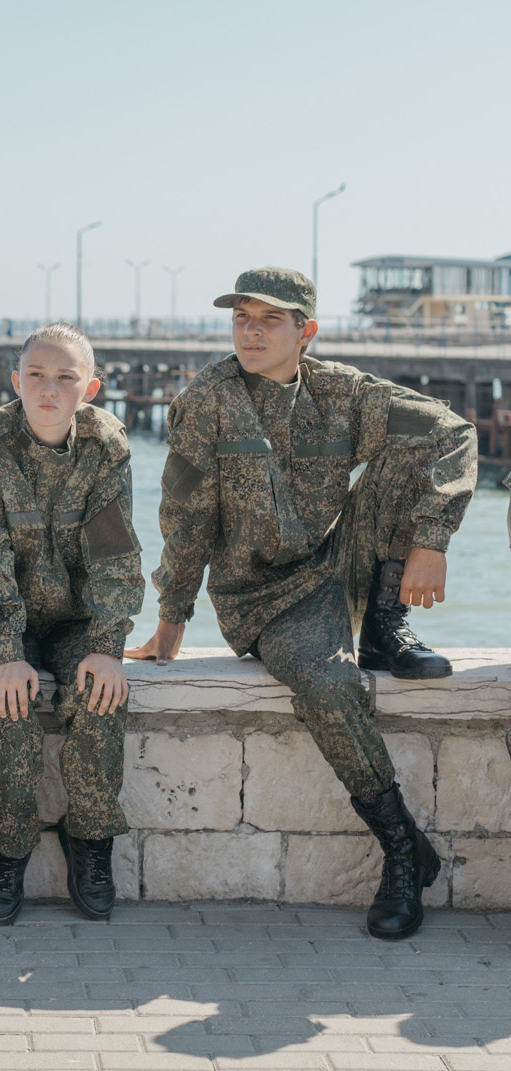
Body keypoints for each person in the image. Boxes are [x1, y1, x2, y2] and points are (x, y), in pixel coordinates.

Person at [128, 268, 477, 940]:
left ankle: (382, 625)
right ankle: (406, 848)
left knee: (410, 449)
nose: (251, 331)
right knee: (325, 681)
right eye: (242, 318)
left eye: (269, 319)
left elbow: (454, 432)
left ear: (305, 331)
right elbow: (185, 515)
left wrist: (433, 540)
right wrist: (171, 616)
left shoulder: (344, 393)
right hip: (260, 597)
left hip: (336, 566)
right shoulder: (208, 400)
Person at [0, 322, 143, 926]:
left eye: (65, 377)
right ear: (16, 381)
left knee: (99, 695)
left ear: (89, 388)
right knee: (7, 702)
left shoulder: (108, 446)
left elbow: (117, 558)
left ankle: (90, 842)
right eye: (36, 374)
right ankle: (7, 852)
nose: (49, 389)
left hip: (76, 621)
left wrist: (109, 645)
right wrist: (7, 651)